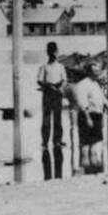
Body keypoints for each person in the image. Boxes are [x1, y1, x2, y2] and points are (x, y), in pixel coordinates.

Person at [70, 60, 108, 174]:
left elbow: (102, 98)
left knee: (96, 142)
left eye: (98, 70)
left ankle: (95, 167)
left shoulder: (96, 84)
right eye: (94, 71)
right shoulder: (82, 84)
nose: (97, 73)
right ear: (88, 72)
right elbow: (82, 103)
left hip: (97, 114)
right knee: (86, 144)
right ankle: (86, 168)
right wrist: (87, 118)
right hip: (87, 115)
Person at [37, 41, 67, 180]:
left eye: (55, 51)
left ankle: (57, 140)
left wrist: (59, 87)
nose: (53, 54)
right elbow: (39, 80)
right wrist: (48, 86)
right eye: (51, 52)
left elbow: (64, 80)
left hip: (57, 93)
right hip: (48, 93)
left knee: (58, 118)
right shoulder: (44, 66)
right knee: (46, 119)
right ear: (48, 53)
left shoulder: (60, 66)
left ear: (57, 52)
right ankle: (44, 141)